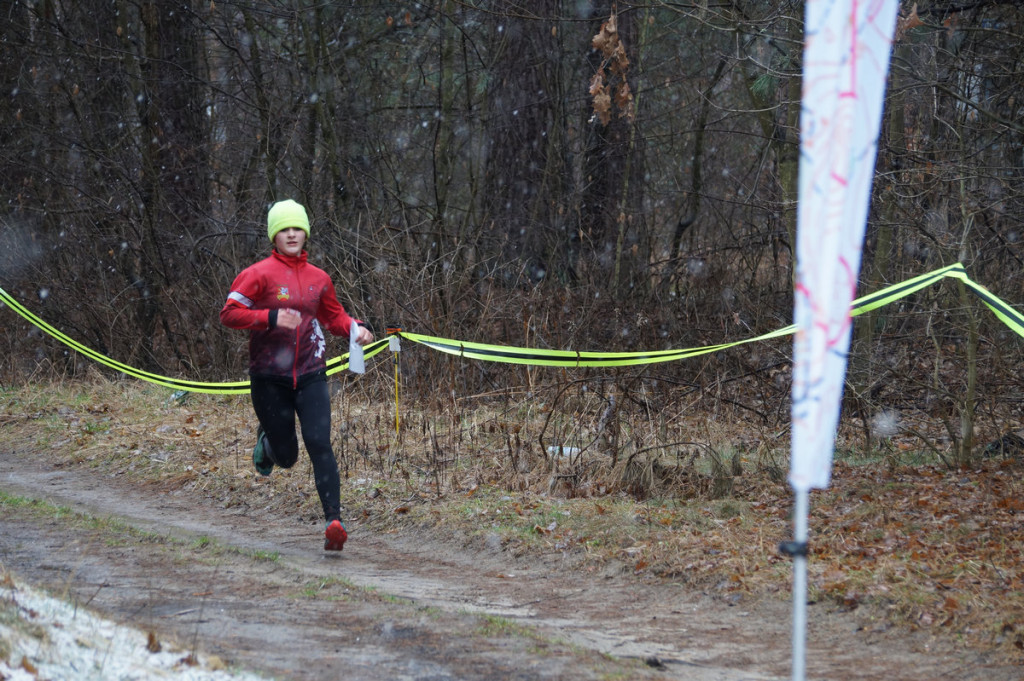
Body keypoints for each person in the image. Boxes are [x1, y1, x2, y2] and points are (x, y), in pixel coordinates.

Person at [220, 199, 374, 551]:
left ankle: (334, 521)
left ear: (305, 232)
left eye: (297, 228)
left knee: (320, 443)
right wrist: (269, 318)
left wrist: (357, 328)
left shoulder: (319, 278)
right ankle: (267, 444)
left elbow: (334, 317)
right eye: (284, 229)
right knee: (287, 456)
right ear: (275, 236)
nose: (292, 234)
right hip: (268, 377)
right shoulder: (257, 274)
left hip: (310, 373)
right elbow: (228, 314)